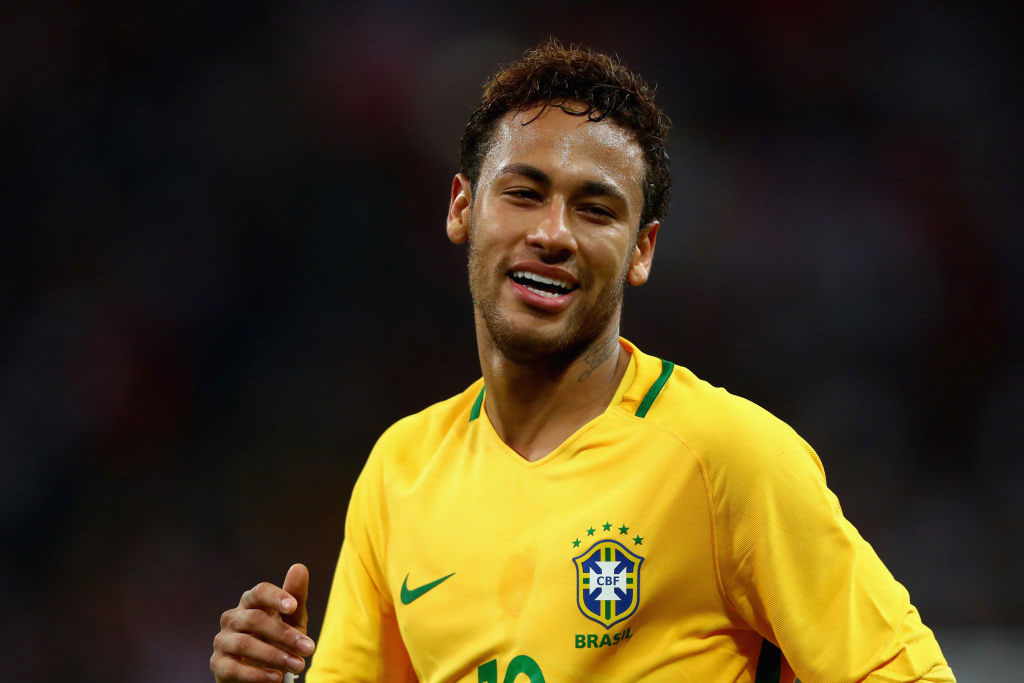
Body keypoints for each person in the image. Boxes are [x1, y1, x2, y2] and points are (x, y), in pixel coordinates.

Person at [211, 39, 955, 683]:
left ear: (642, 251)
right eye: (524, 193)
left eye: (595, 209)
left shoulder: (727, 459)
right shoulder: (400, 471)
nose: (554, 234)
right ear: (463, 207)